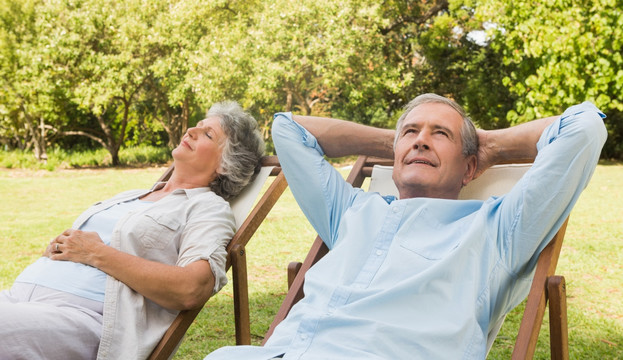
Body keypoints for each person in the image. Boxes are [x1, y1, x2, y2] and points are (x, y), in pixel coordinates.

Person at [205, 94, 607, 359]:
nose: (421, 141)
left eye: (441, 134)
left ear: (470, 166)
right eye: (412, 132)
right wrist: (400, 141)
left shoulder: (496, 231)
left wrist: (490, 147)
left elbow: (585, 128)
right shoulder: (350, 212)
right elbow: (288, 130)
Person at [0, 101, 265, 360]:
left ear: (226, 164)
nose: (191, 131)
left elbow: (193, 288)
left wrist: (96, 253)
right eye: (197, 125)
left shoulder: (207, 208)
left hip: (82, 317)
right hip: (20, 299)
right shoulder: (132, 196)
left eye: (208, 134)